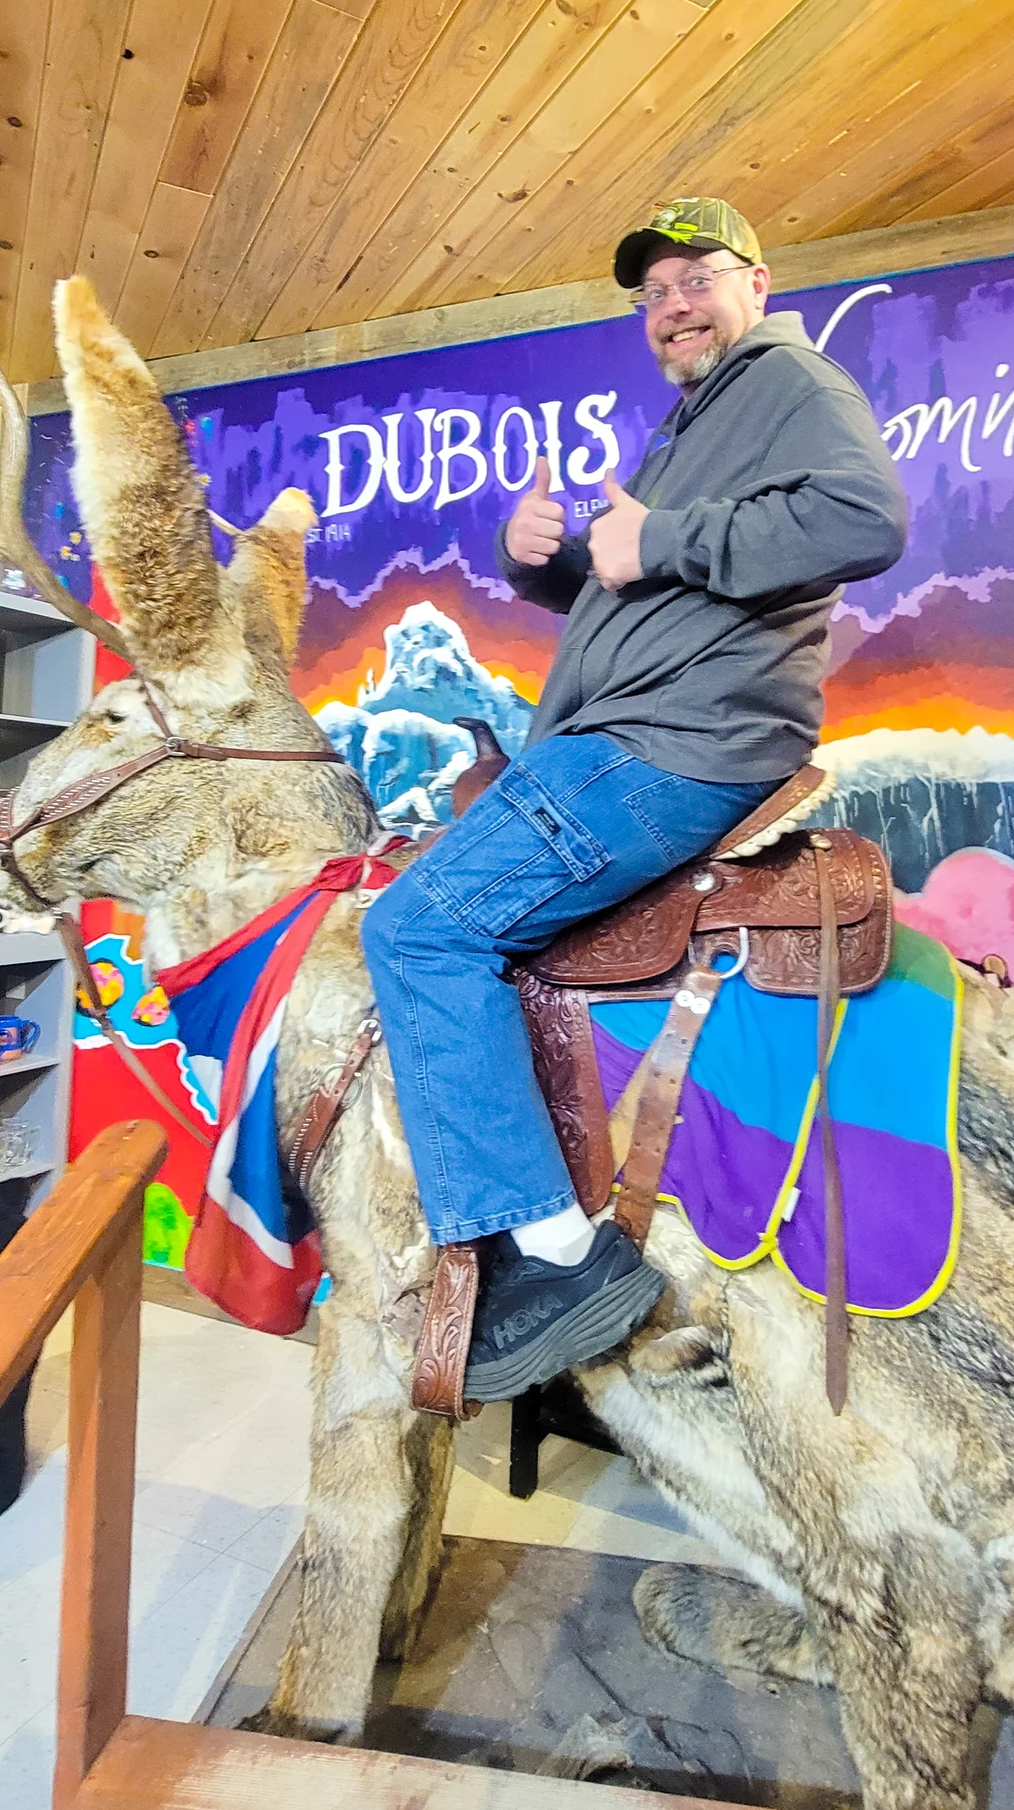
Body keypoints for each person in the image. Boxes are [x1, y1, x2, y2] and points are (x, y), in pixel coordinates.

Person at [363, 197, 907, 1402]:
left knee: (414, 927)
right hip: (642, 729)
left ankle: (557, 1257)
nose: (675, 304)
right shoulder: (696, 423)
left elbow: (866, 517)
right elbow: (645, 592)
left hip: (667, 745)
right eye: (655, 293)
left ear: (757, 283)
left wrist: (659, 537)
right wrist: (541, 557)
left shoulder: (787, 379)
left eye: (699, 276)